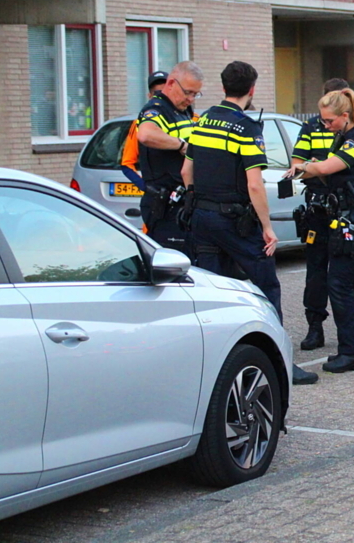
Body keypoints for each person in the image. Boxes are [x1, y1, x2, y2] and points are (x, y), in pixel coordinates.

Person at [182, 60, 318, 386]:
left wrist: (198, 201)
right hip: (234, 221)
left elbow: (187, 172)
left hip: (202, 219)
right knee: (265, 286)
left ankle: (213, 366)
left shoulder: (201, 123)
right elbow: (255, 184)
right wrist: (268, 227)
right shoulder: (245, 128)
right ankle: (280, 363)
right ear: (252, 89)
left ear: (223, 85)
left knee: (213, 291)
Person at [288, 88, 354, 374]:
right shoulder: (346, 137)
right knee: (350, 283)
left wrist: (303, 168)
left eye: (329, 121)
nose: (325, 125)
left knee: (340, 285)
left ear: (345, 116)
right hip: (351, 216)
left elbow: (330, 167)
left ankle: (351, 352)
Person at [290, 77, 351, 352]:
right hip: (318, 209)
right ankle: (315, 327)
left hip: (345, 208)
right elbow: (296, 164)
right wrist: (315, 167)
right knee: (316, 271)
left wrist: (323, 167)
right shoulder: (311, 127)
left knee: (352, 273)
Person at [137, 62, 202, 256]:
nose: (190, 99)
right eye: (188, 92)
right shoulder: (157, 108)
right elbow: (146, 135)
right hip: (165, 207)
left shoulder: (183, 110)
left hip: (184, 204)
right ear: (172, 83)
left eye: (195, 94)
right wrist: (181, 145)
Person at [120, 70, 169, 190]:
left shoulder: (190, 118)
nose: (160, 98)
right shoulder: (139, 123)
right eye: (157, 94)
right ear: (149, 96)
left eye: (164, 93)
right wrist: (148, 189)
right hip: (156, 201)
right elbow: (127, 164)